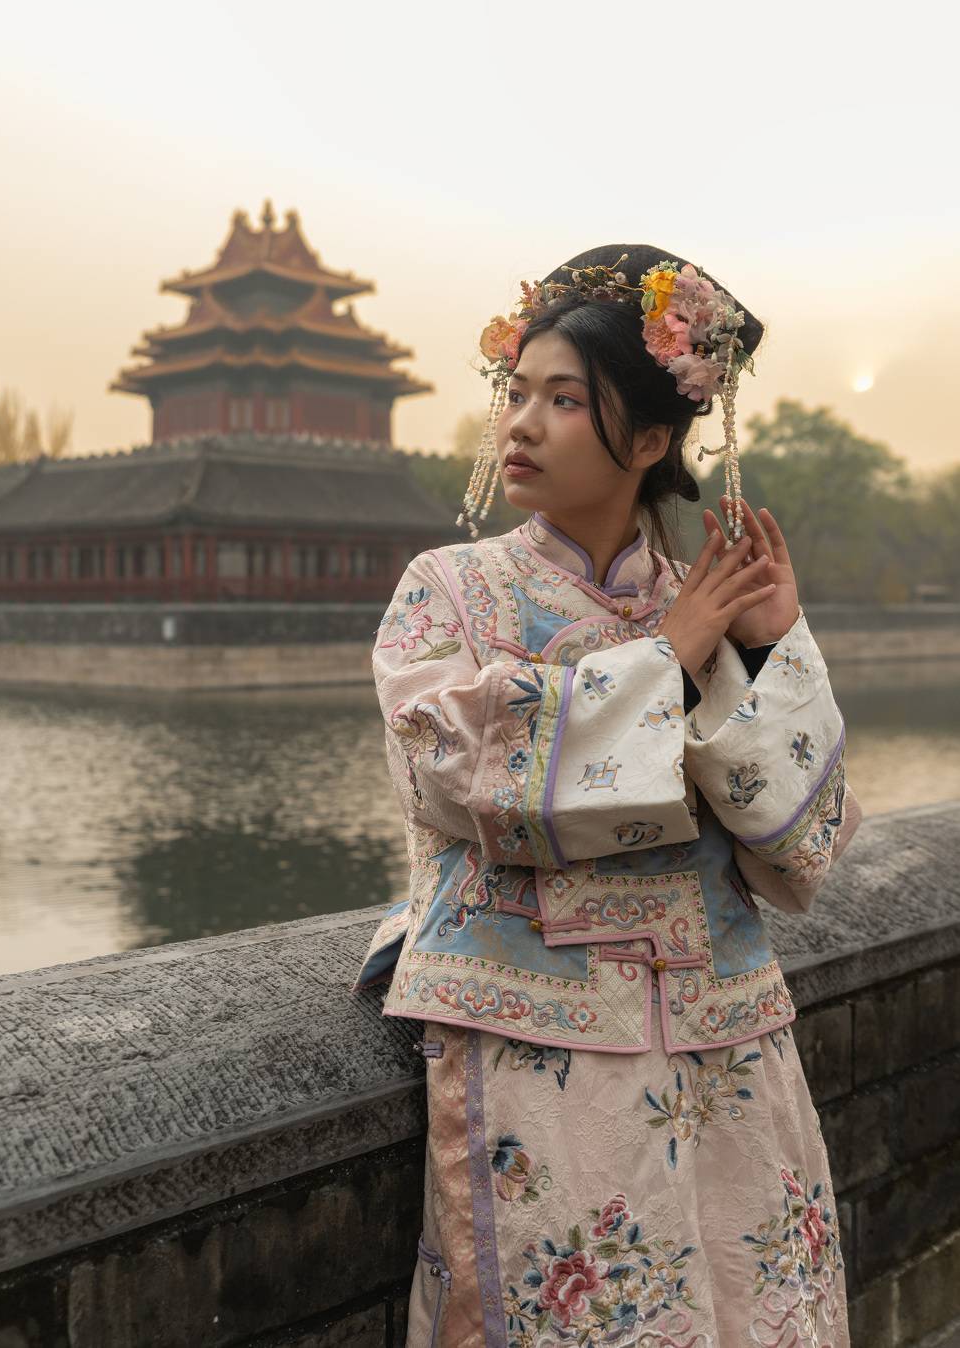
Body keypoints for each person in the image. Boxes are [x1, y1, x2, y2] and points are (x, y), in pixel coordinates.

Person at [354, 244, 863, 1347]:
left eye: (564, 400)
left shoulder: (705, 600)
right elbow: (457, 773)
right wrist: (661, 667)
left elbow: (802, 853)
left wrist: (769, 649)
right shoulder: (450, 593)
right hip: (547, 1046)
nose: (522, 425)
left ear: (647, 439)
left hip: (728, 1035)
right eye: (518, 393)